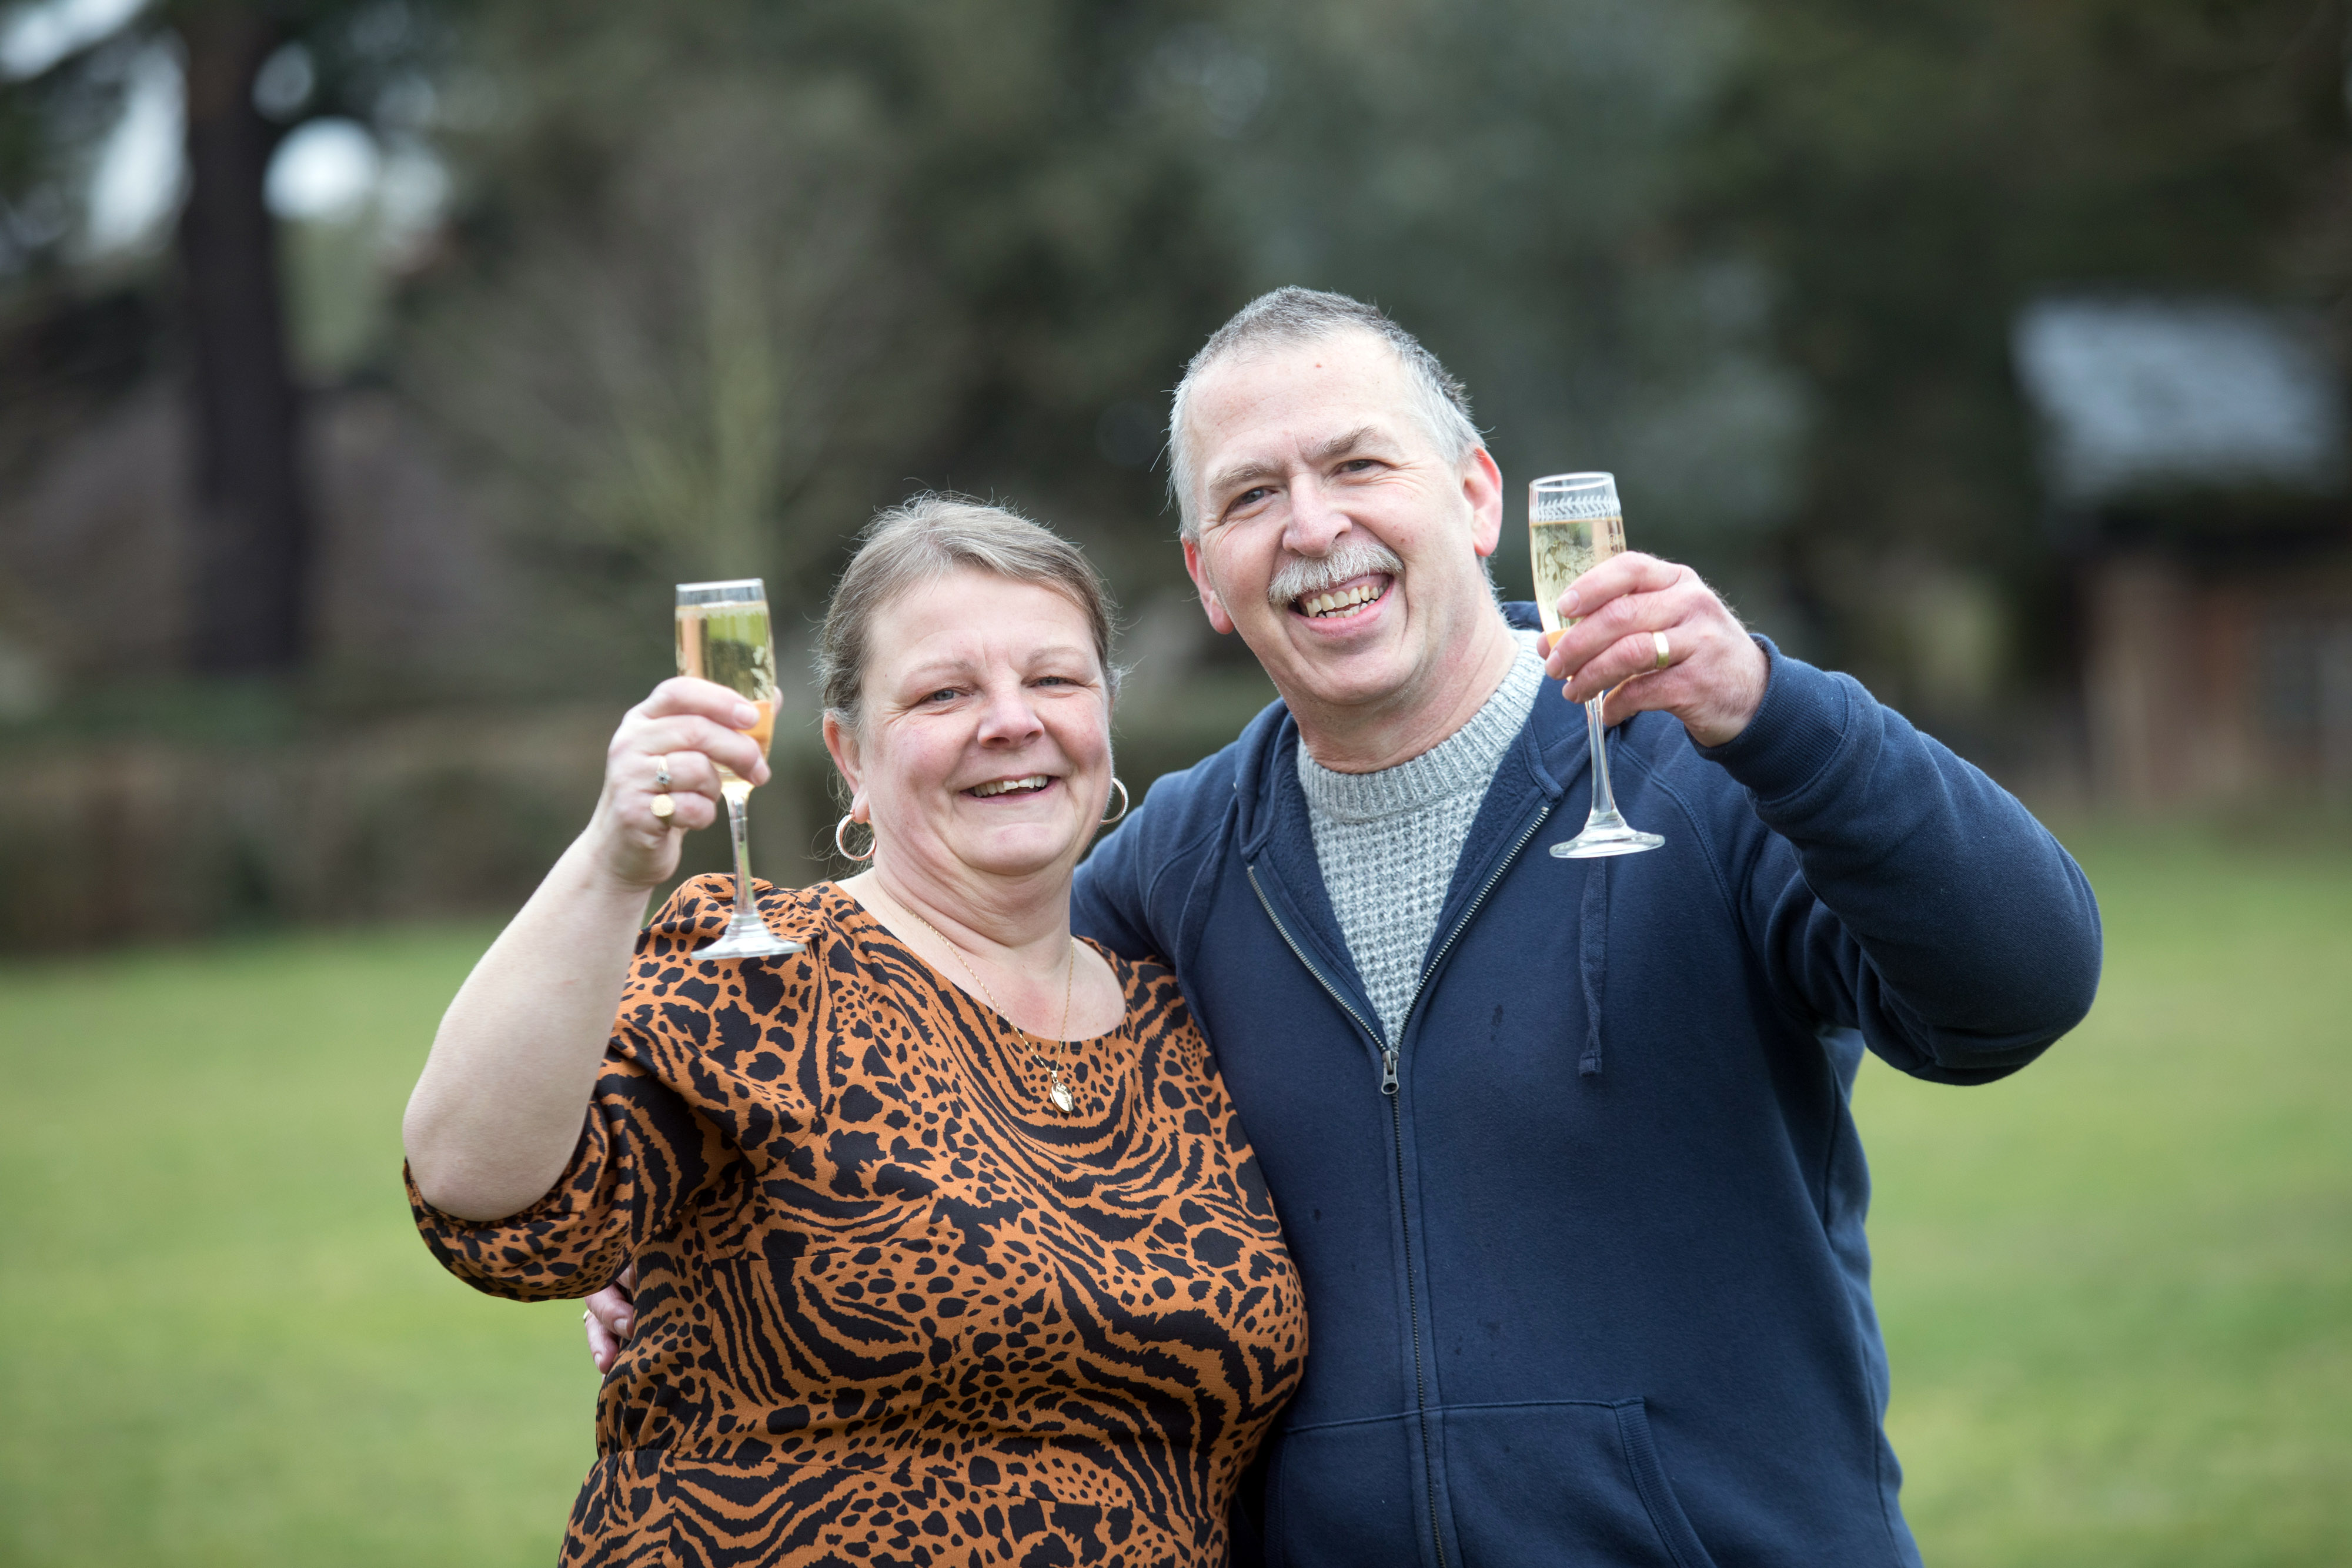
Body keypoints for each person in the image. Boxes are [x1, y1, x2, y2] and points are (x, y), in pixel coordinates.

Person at [594, 288, 2103, 1566]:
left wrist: (1781, 714)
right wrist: (704, 1243)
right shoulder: (1166, 866)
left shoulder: (1709, 775)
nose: (1310, 526)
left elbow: (2018, 988)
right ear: (1206, 573)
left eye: (1355, 465)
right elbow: (951, 1086)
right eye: (1249, 495)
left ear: (1474, 496)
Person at [404, 497, 1305, 1567]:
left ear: (1104, 721)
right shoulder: (767, 975)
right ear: (851, 756)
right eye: (944, 692)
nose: (1011, 720)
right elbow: (485, 1193)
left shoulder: (1179, 1022)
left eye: (1054, 679)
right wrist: (615, 858)